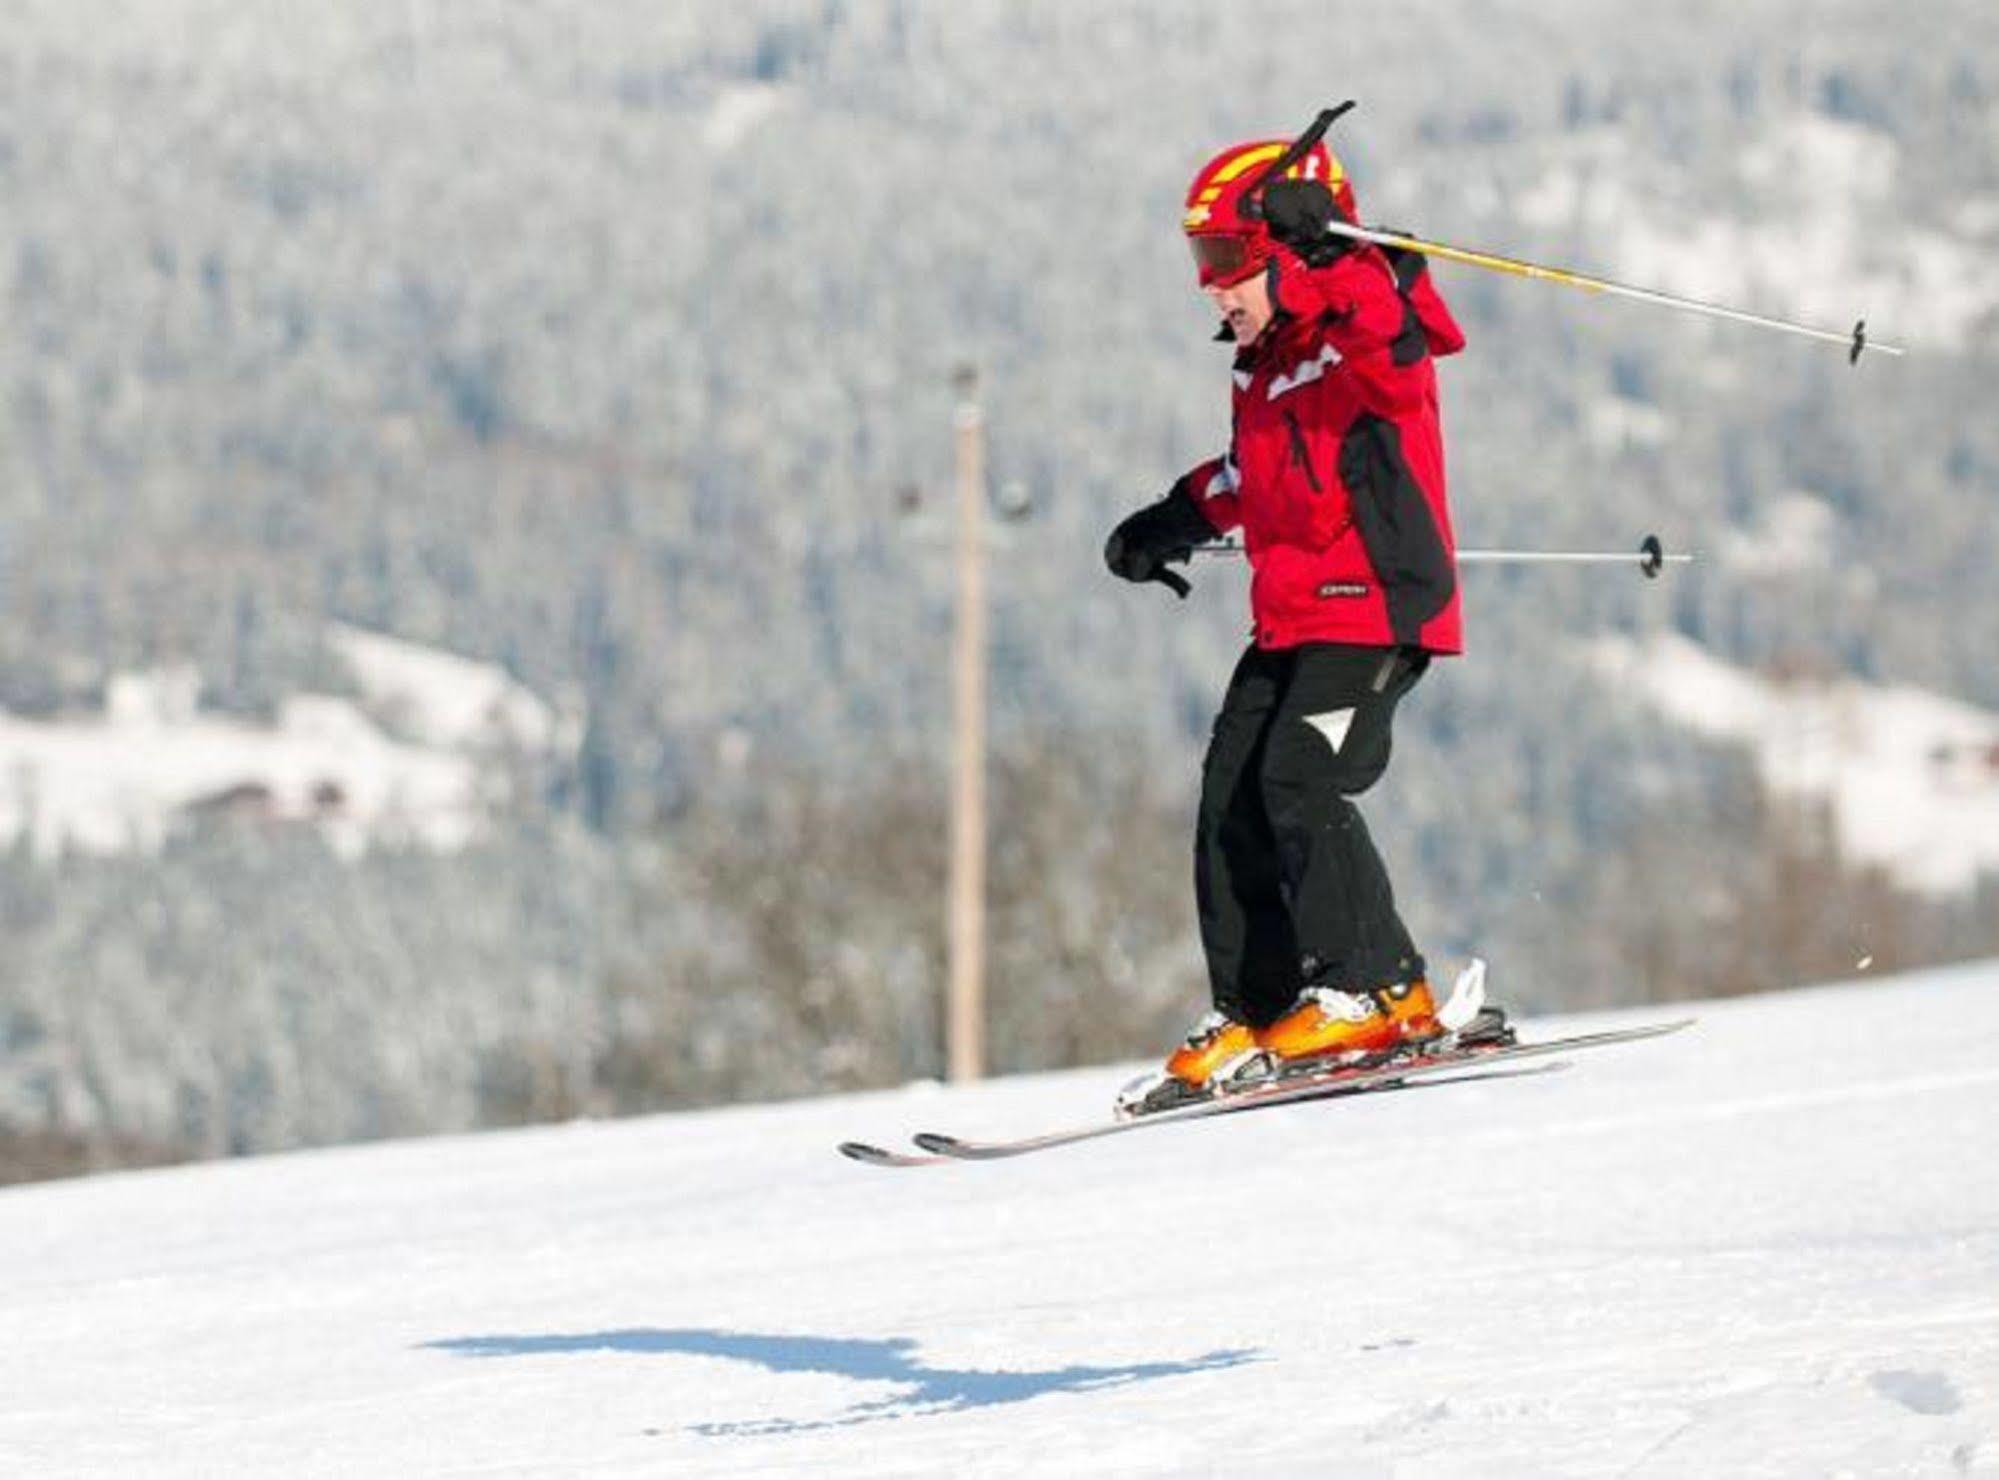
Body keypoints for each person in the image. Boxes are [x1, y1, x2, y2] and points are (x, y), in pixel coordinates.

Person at [1105, 134, 1471, 1116]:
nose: (1211, 288)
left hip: (1380, 603)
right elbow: (1244, 476)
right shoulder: (1261, 368)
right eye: (1202, 266)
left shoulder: (1372, 328)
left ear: (1291, 247)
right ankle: (1262, 1004)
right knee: (1231, 793)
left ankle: (1379, 989)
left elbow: (1389, 342)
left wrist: (1338, 259)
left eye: (1227, 261)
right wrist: (1167, 523)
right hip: (1296, 617)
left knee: (1300, 781)